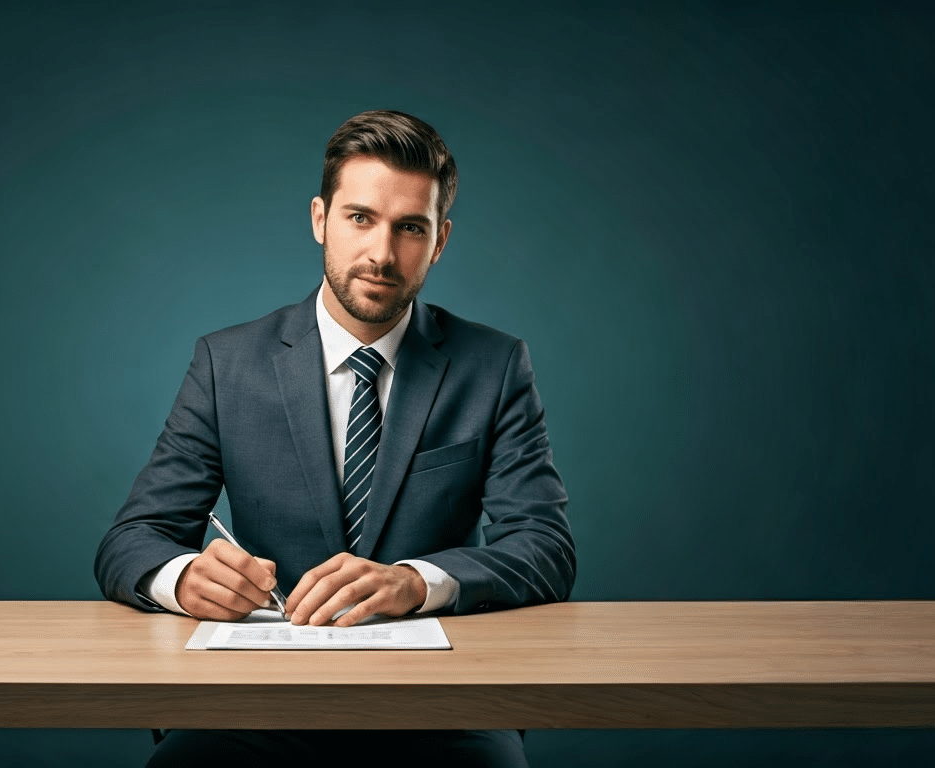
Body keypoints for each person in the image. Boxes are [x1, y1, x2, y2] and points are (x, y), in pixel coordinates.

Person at [95, 109, 575, 766]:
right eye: (360, 218)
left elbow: (545, 548)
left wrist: (416, 581)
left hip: (439, 707)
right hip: (256, 703)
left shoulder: (493, 366)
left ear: (439, 242)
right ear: (320, 218)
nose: (382, 253)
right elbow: (131, 541)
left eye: (410, 228)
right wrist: (183, 579)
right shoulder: (226, 362)